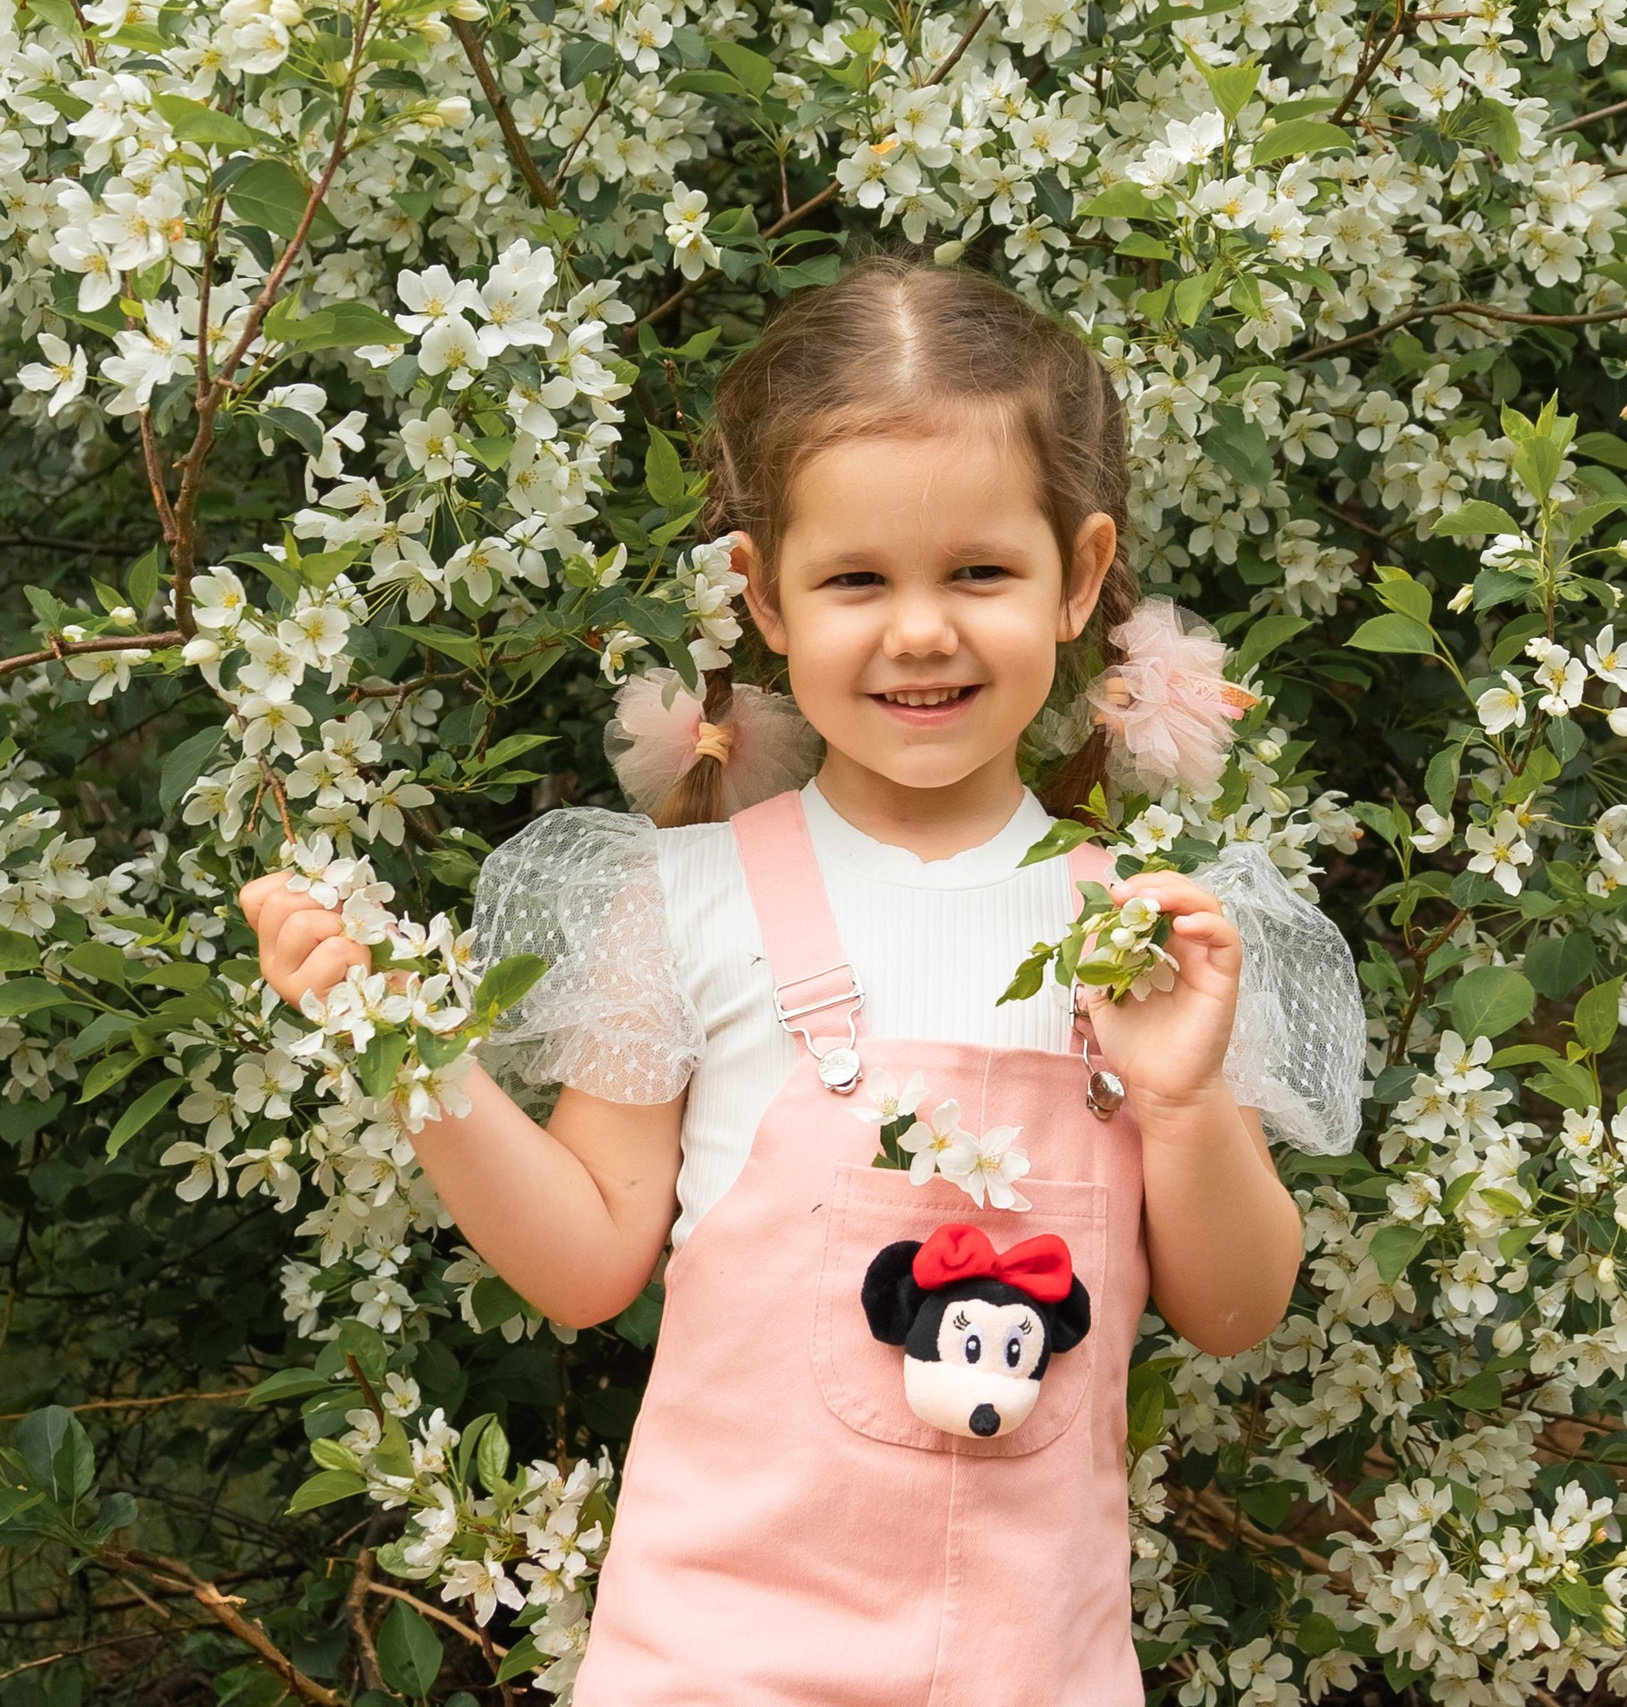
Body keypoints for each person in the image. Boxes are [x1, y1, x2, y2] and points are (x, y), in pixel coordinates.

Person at [239, 259, 1365, 1704]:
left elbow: (1236, 1308)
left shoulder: (1144, 941)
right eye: (854, 580)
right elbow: (586, 1267)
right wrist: (408, 1050)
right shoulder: (685, 902)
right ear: (760, 598)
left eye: (978, 571)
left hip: (1033, 1667)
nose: (918, 631)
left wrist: (1190, 1102)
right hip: (712, 1660)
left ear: (1078, 577)